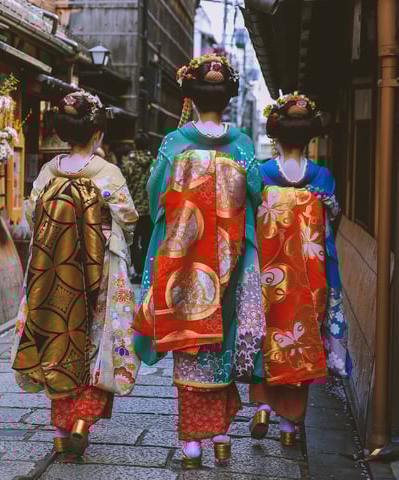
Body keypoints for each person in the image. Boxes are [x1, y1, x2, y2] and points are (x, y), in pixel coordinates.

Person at [132, 54, 266, 469]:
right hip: (230, 261)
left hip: (187, 261)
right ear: (229, 96)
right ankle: (223, 436)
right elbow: (258, 194)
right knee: (223, 338)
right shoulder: (242, 144)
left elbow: (156, 195)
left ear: (188, 94)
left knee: (189, 339)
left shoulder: (176, 143)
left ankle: (192, 443)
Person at [10, 90, 140, 456]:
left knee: (59, 336)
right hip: (100, 267)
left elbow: (33, 216)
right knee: (98, 342)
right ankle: (84, 419)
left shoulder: (48, 172)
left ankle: (60, 431)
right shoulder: (108, 172)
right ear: (98, 132)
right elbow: (127, 219)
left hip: (54, 266)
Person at [249, 92, 353, 446]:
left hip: (268, 271)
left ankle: (262, 406)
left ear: (273, 135)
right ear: (310, 136)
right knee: (301, 338)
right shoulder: (322, 178)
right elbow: (329, 226)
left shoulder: (262, 174)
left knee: (267, 332)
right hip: (310, 272)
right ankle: (290, 426)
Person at [120, 133, 155, 284]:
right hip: (149, 209)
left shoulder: (128, 163)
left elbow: (121, 185)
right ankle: (146, 270)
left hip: (132, 208)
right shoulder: (154, 163)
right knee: (147, 240)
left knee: (132, 241)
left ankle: (137, 270)